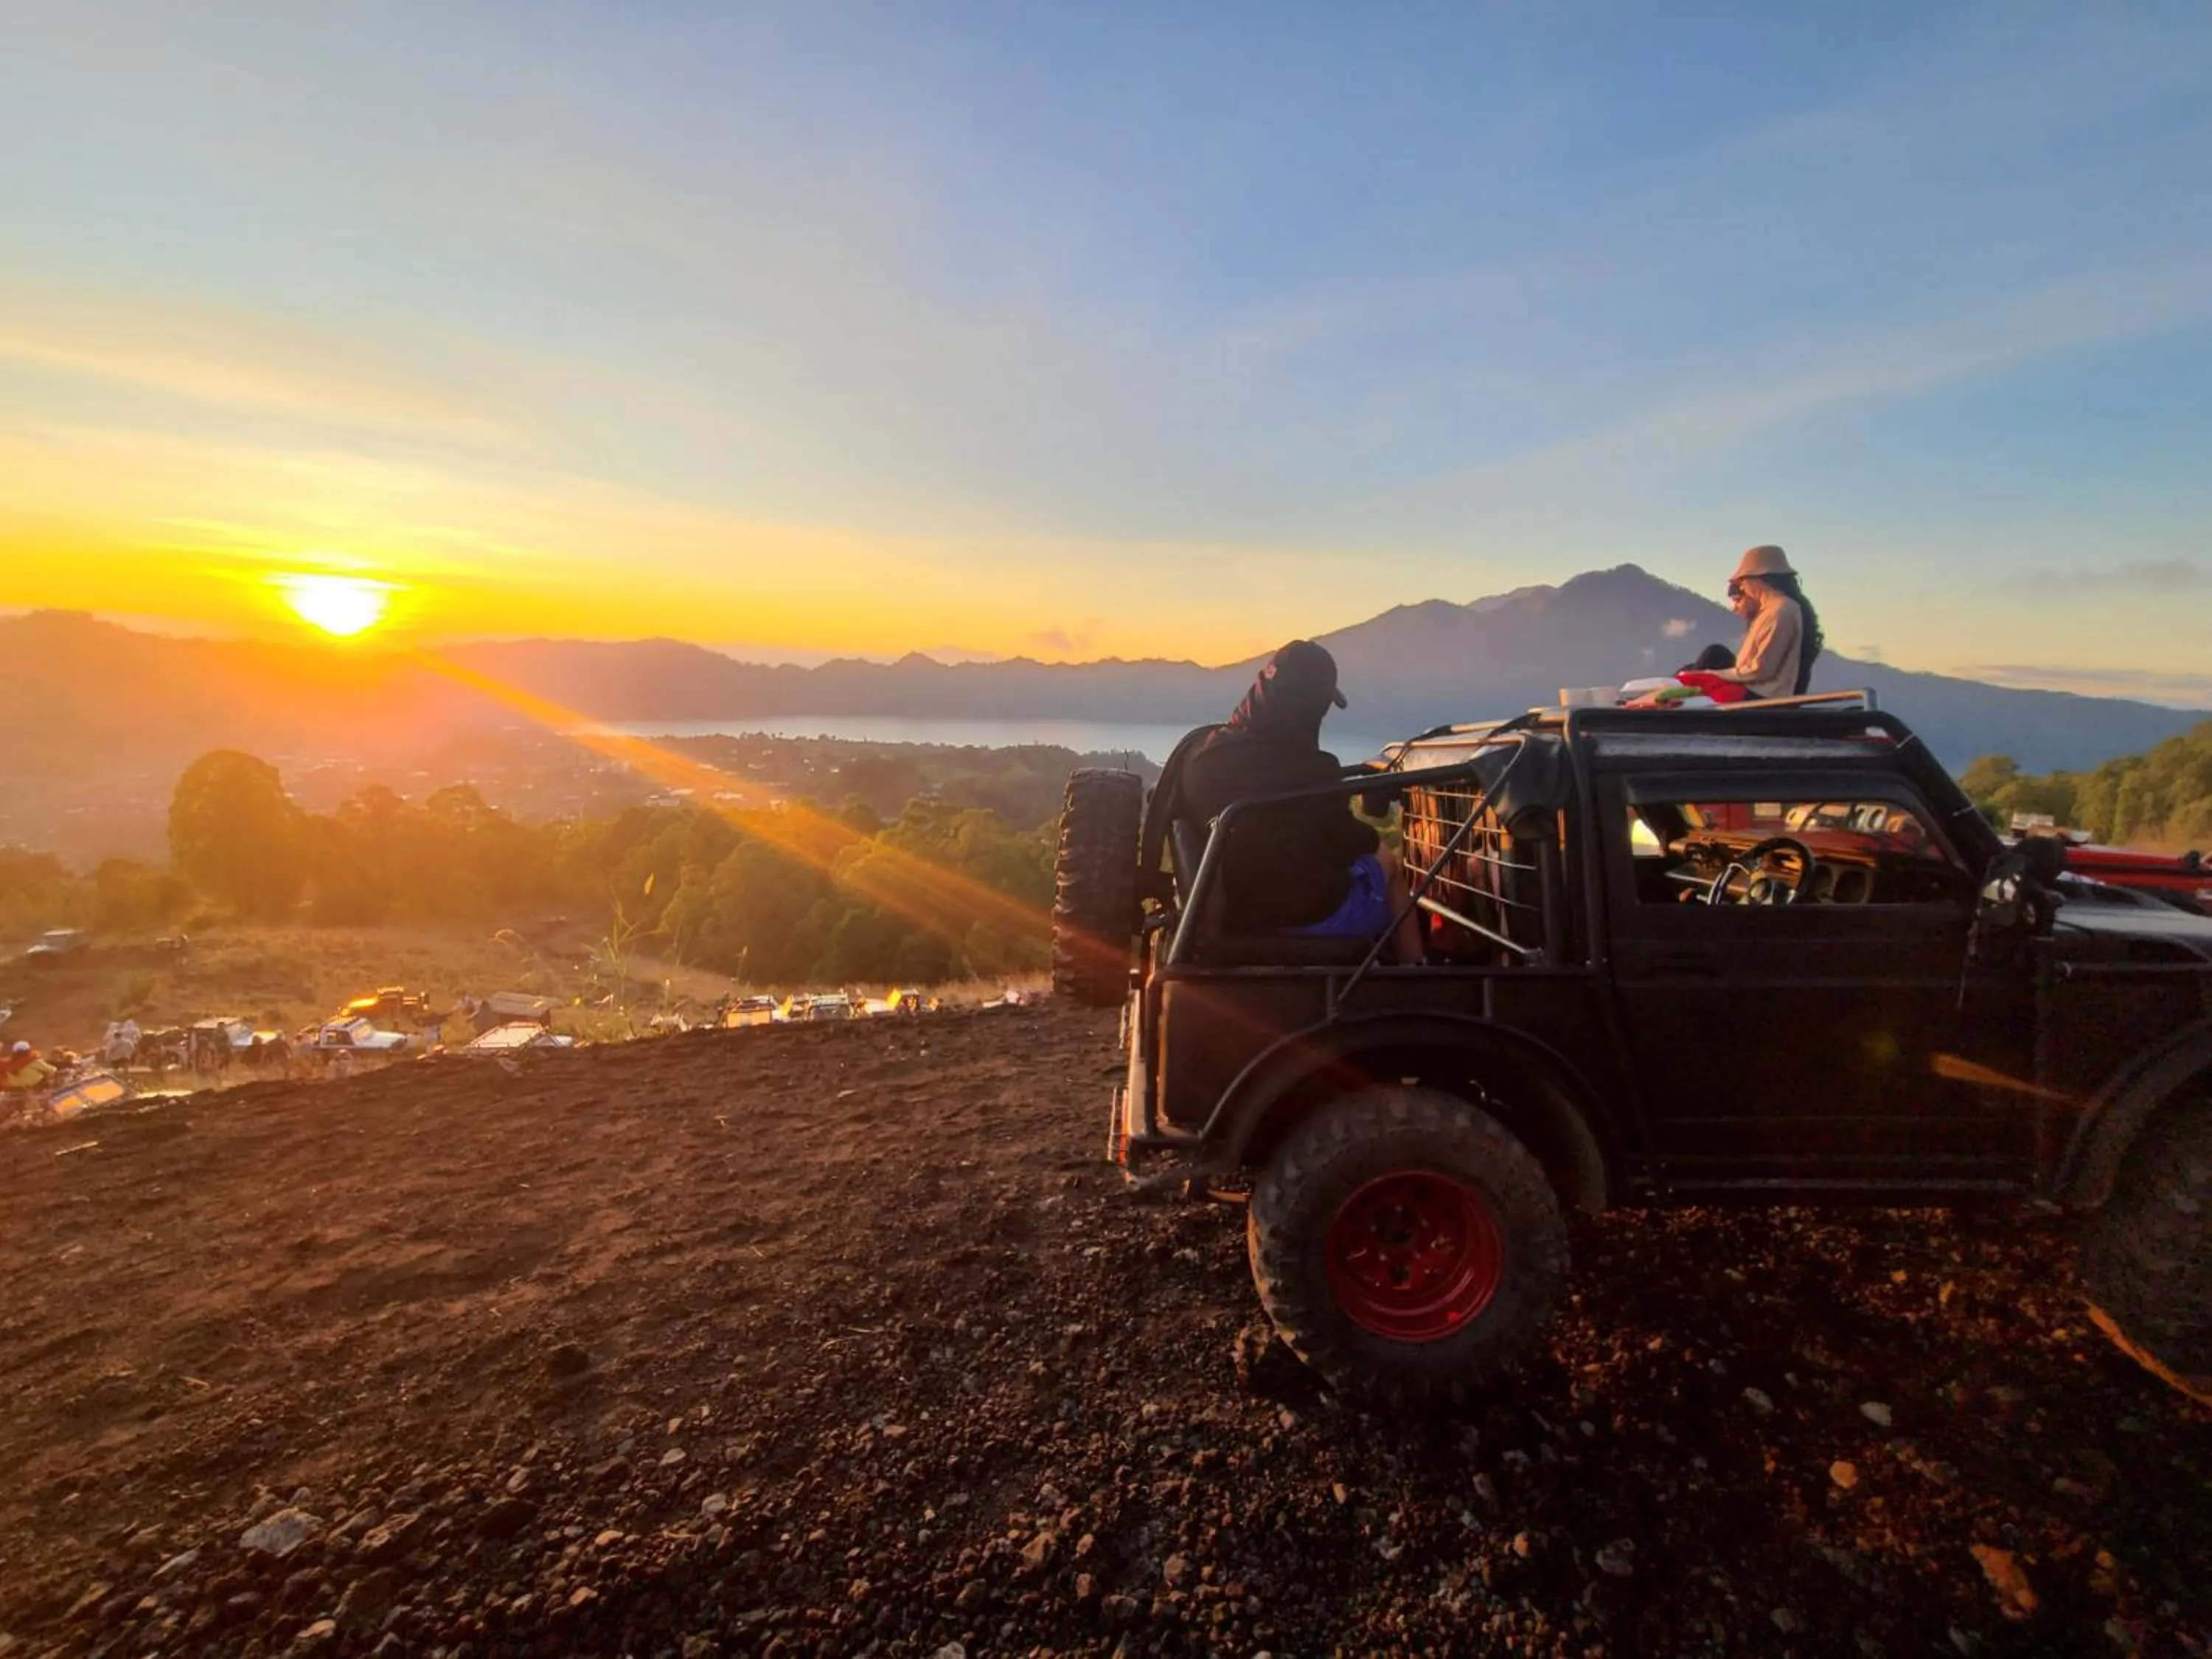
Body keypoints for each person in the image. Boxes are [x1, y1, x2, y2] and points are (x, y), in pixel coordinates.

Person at [1182, 640, 1425, 962]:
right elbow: (1353, 841)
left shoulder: (1204, 758)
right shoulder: (1312, 770)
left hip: (1239, 912)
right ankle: (1418, 975)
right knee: (1387, 862)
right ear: (1312, 707)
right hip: (1307, 914)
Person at [1702, 545, 1824, 700]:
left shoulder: (1780, 612)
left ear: (1759, 579)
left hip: (1761, 696)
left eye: (1743, 581)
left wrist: (1713, 675)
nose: (1742, 587)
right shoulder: (1771, 611)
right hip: (1757, 690)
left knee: (1704, 667)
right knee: (1712, 656)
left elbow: (1761, 670)